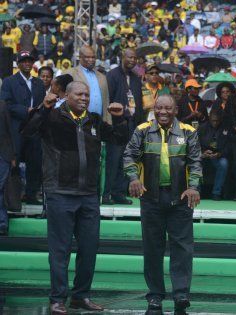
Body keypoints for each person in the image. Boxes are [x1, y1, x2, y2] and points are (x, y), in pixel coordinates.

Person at [22, 82, 127, 315]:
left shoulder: (95, 120)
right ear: (66, 96)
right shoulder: (52, 118)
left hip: (89, 195)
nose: (84, 98)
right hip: (60, 193)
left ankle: (81, 296)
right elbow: (27, 131)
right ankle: (58, 298)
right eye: (79, 94)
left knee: (89, 248)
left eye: (87, 95)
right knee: (60, 250)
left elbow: (120, 139)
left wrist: (120, 118)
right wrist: (43, 108)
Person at [123, 95, 202, 315]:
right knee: (152, 249)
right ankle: (155, 296)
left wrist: (194, 186)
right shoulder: (142, 130)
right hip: (151, 198)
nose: (163, 112)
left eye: (168, 108)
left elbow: (195, 161)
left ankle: (181, 295)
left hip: (181, 198)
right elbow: (129, 155)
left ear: (176, 109)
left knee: (183, 249)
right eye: (159, 108)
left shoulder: (189, 131)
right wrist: (133, 178)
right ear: (154, 109)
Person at [0, 51, 46, 205]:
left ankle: (31, 194)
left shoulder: (39, 83)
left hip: (34, 129)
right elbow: (5, 104)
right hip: (16, 129)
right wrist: (24, 110)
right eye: (23, 61)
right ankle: (12, 197)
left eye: (29, 61)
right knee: (14, 162)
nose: (27, 64)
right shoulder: (9, 81)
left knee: (35, 162)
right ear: (18, 63)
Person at [104, 48, 144, 205]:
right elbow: (108, 99)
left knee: (126, 160)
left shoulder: (136, 78)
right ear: (122, 57)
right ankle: (106, 194)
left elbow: (138, 102)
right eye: (130, 57)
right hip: (116, 124)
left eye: (135, 58)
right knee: (113, 160)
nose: (133, 60)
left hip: (132, 124)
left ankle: (119, 193)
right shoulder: (112, 75)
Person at [65, 46, 111, 124]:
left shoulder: (102, 77)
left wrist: (108, 121)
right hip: (76, 121)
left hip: (99, 122)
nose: (91, 60)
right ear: (80, 57)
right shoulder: (70, 73)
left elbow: (106, 101)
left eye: (93, 57)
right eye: (87, 57)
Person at [198, 110, 231, 200]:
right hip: (203, 154)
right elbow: (195, 145)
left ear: (220, 120)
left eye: (217, 121)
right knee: (195, 162)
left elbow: (228, 146)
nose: (215, 123)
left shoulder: (225, 129)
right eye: (213, 120)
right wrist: (202, 153)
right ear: (209, 119)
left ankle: (216, 193)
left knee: (224, 164)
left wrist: (219, 154)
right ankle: (197, 191)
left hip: (218, 155)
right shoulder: (202, 128)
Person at [0, 100, 16, 236]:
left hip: (3, 154)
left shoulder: (2, 105)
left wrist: (12, 155)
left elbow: (9, 130)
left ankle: (2, 223)